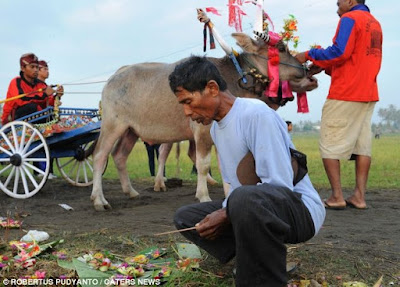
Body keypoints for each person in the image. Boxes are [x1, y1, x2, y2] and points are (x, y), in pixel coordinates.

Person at [169, 56, 325, 287]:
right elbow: (236, 185)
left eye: (188, 101)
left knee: (242, 199)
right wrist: (224, 211)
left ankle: (264, 276)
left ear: (212, 88)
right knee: (187, 218)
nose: (186, 112)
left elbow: (279, 185)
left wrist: (227, 212)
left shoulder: (256, 114)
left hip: (299, 210)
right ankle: (252, 258)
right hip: (251, 205)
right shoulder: (217, 130)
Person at [295, 0, 382, 209]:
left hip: (346, 93)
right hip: (368, 92)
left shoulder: (350, 18)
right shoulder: (375, 22)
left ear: (351, 1)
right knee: (362, 146)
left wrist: (308, 55)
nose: (337, 6)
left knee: (329, 143)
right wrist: (323, 67)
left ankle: (337, 196)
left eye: (339, 2)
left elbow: (339, 52)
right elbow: (353, 59)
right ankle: (359, 196)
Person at [2, 53, 61, 125]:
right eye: (32, 67)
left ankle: (54, 126)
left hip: (33, 116)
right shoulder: (16, 81)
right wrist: (44, 94)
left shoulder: (41, 84)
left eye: (37, 67)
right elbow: (21, 100)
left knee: (53, 110)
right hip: (11, 119)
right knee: (32, 107)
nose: (36, 70)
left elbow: (48, 103)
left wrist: (57, 96)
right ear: (23, 68)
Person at [37, 60, 64, 179]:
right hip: (38, 118)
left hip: (47, 117)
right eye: (45, 69)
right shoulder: (37, 86)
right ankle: (41, 171)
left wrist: (57, 96)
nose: (48, 71)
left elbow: (51, 104)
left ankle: (48, 171)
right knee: (42, 144)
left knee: (51, 143)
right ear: (38, 71)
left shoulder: (45, 87)